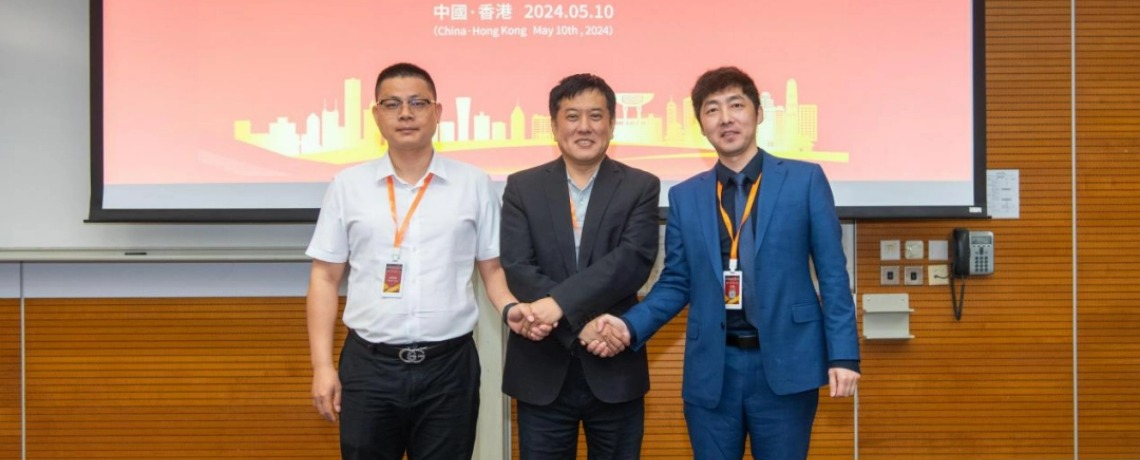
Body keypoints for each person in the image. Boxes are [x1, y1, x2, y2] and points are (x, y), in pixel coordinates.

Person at [588, 66, 861, 460]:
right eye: (712, 110)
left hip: (788, 363)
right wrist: (629, 326)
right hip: (712, 369)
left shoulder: (804, 180)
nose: (726, 118)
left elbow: (833, 274)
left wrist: (843, 355)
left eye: (736, 105)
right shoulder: (686, 197)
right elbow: (676, 282)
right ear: (701, 125)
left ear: (758, 113)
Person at [305, 62, 540, 460]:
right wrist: (322, 366)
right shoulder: (348, 186)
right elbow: (324, 278)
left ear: (437, 112)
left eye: (417, 103)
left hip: (449, 368)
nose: (405, 113)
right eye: (392, 104)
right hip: (369, 368)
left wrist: (510, 308)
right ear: (376, 115)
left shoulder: (473, 184)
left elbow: (492, 269)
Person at [500, 73, 660, 459]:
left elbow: (632, 262)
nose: (584, 127)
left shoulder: (641, 186)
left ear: (612, 124)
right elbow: (518, 267)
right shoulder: (522, 187)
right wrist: (581, 325)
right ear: (555, 127)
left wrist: (558, 305)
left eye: (595, 116)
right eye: (572, 116)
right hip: (541, 369)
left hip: (615, 368)